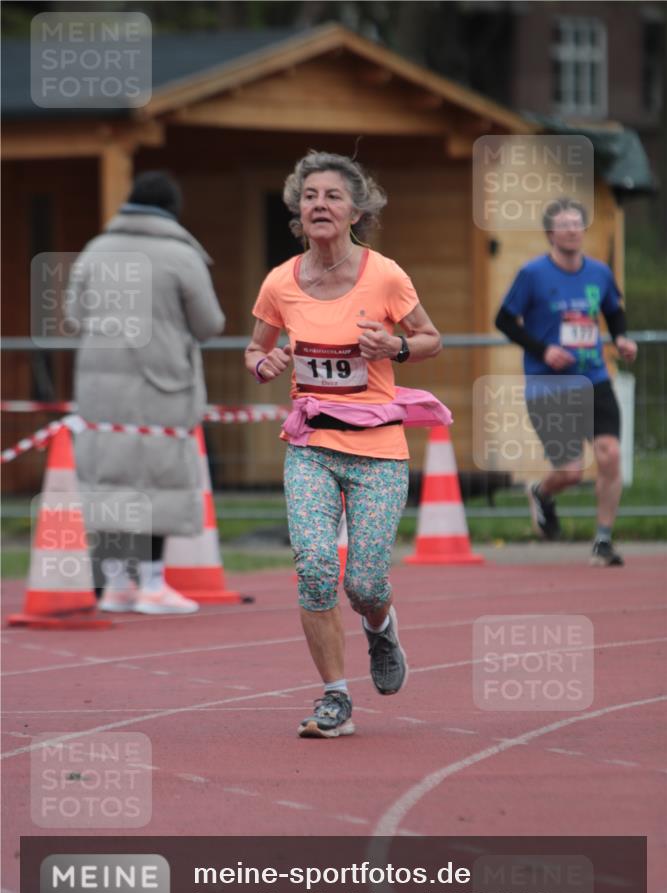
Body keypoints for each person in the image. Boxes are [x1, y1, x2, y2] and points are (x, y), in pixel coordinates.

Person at [246, 151, 449, 738]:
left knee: (362, 583)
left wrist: (397, 348)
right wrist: (268, 363)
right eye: (309, 196)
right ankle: (335, 697)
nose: (319, 205)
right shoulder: (280, 282)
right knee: (313, 569)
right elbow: (254, 351)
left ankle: (380, 629)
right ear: (297, 208)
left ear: (356, 209)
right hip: (310, 445)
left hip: (378, 450)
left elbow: (431, 338)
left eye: (332, 196)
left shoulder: (385, 274)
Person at [67, 170, 226, 613]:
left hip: (99, 386)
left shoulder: (96, 250)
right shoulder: (180, 254)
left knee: (112, 478)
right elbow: (209, 324)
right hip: (161, 382)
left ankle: (117, 583)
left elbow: (73, 315)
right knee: (159, 480)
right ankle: (154, 584)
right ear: (172, 210)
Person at [495, 197, 637, 566]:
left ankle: (603, 541)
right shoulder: (532, 274)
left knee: (610, 455)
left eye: (578, 224)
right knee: (571, 471)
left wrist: (621, 338)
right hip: (549, 383)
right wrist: (544, 350)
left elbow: (613, 311)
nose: (573, 229)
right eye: (565, 224)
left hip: (594, 378)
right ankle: (542, 492)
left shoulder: (600, 273)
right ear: (550, 233)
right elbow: (505, 321)